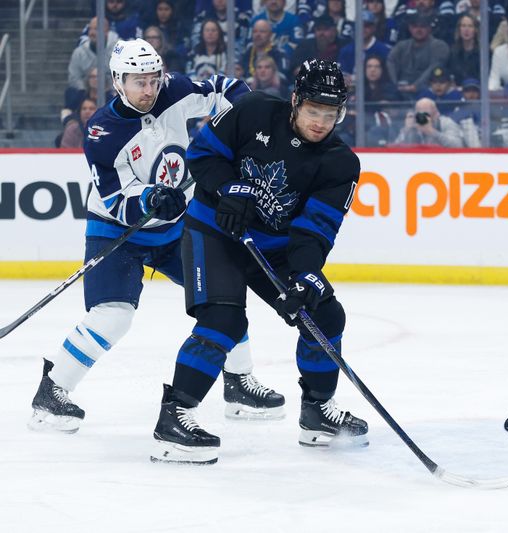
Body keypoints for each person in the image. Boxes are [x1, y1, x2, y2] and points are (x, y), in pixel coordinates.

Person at [29, 39, 284, 434]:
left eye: (152, 80)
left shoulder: (176, 90)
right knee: (113, 316)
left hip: (176, 228)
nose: (148, 90)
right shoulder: (102, 132)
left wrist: (251, 124)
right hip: (118, 232)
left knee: (225, 296)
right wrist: (149, 199)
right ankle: (53, 391)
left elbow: (224, 91)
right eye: (138, 82)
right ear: (118, 81)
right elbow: (116, 201)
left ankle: (238, 383)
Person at [150, 59, 366, 464]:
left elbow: (315, 231)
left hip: (276, 248)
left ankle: (317, 412)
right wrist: (226, 188)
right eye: (313, 111)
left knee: (324, 315)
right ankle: (174, 417)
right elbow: (202, 154)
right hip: (214, 230)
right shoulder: (252, 110)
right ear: (296, 101)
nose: (321, 122)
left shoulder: (340, 163)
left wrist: (305, 277)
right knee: (224, 320)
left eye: (330, 114)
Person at [393, 97, 469, 147]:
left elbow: (457, 146)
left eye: (426, 114)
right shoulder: (413, 124)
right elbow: (393, 149)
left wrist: (432, 131)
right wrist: (406, 130)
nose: (423, 118)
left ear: (436, 114)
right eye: (420, 114)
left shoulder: (446, 123)